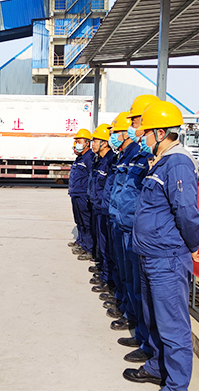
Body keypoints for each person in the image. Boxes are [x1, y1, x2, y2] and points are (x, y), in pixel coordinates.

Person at [123, 101, 199, 390]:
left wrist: (194, 244)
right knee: (154, 318)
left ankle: (177, 384)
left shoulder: (178, 163)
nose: (142, 137)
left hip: (166, 258)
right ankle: (158, 367)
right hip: (150, 254)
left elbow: (186, 211)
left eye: (146, 133)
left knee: (173, 326)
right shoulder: (161, 161)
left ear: (160, 133)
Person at [112, 96, 159, 362]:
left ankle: (147, 342)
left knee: (144, 293)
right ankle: (138, 329)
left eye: (135, 121)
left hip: (140, 232)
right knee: (131, 281)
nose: (133, 127)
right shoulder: (139, 154)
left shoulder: (157, 158)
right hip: (125, 223)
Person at [87, 123, 116, 294]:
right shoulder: (98, 160)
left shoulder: (110, 160)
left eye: (95, 141)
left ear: (104, 143)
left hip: (106, 209)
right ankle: (103, 271)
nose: (93, 144)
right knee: (102, 243)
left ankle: (108, 278)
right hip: (98, 206)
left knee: (107, 246)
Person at [68, 129, 94, 260]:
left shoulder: (89, 158)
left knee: (86, 222)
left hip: (83, 195)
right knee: (79, 221)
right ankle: (81, 241)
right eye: (75, 142)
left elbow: (91, 178)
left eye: (79, 141)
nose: (76, 144)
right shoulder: (79, 158)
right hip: (76, 194)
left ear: (87, 143)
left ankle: (88, 248)